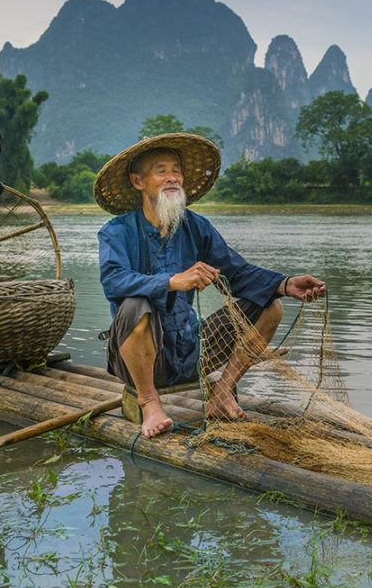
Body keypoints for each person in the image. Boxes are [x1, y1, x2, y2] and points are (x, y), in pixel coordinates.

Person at [93, 133, 326, 438]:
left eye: (177, 170)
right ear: (139, 182)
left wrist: (284, 283)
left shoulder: (196, 227)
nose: (172, 177)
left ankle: (222, 392)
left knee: (270, 304)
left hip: (191, 351)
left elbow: (237, 273)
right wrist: (173, 281)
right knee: (136, 304)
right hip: (138, 359)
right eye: (161, 170)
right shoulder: (116, 233)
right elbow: (113, 281)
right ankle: (149, 401)